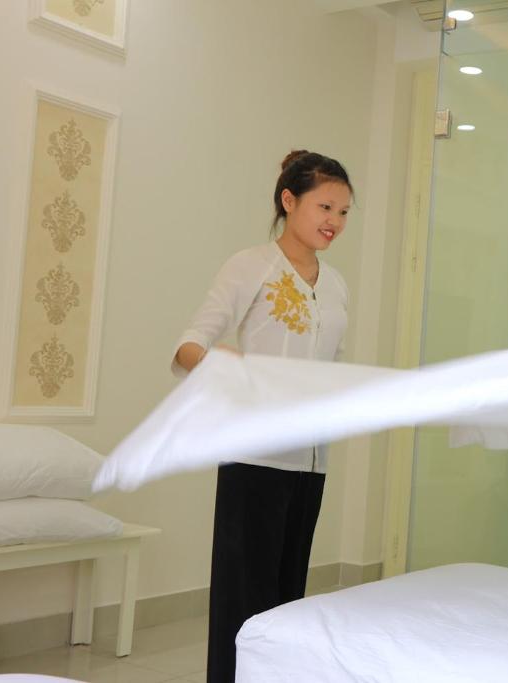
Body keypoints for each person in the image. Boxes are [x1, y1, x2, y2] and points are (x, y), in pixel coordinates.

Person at [171, 150, 353, 683]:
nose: (334, 221)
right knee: (243, 603)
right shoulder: (250, 266)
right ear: (289, 201)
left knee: (286, 602)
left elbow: (333, 367)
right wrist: (222, 367)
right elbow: (188, 343)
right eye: (324, 207)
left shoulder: (336, 285)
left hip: (311, 461)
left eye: (344, 212)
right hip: (254, 459)